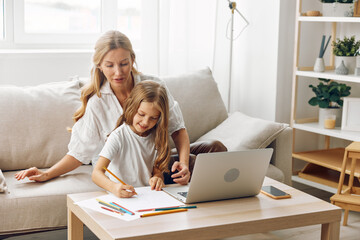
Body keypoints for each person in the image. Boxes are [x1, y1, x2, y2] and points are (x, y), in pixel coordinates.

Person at [14, 30, 227, 185]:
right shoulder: (98, 102)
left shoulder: (154, 87)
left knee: (215, 149)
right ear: (99, 65)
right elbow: (79, 153)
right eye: (110, 65)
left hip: (156, 159)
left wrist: (182, 164)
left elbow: (178, 130)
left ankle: (217, 217)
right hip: (130, 167)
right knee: (197, 163)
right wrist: (47, 173)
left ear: (132, 60)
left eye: (124, 63)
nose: (118, 72)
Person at [92, 80, 170, 198]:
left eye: (153, 118)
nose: (145, 122)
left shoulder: (156, 137)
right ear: (131, 107)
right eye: (141, 114)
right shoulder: (118, 136)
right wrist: (114, 187)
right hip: (121, 196)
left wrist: (157, 178)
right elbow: (96, 173)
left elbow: (157, 171)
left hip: (146, 196)